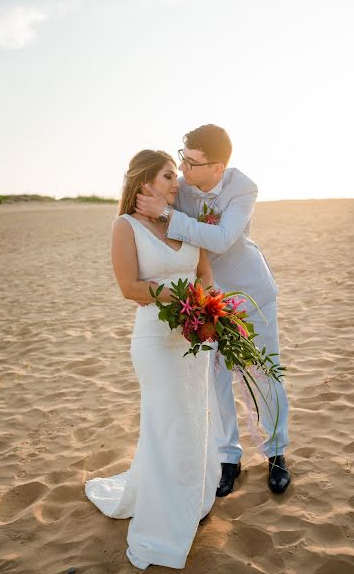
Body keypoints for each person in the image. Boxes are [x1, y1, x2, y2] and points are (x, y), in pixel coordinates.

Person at [135, 124, 291, 496]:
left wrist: (168, 216)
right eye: (183, 158)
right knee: (215, 376)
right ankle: (228, 458)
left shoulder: (243, 188)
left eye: (192, 163)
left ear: (218, 168)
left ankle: (276, 453)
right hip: (204, 295)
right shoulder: (181, 187)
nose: (184, 170)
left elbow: (221, 239)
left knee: (265, 371)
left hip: (252, 292)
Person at [85, 149, 221, 570]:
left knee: (196, 416)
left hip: (193, 338)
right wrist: (183, 301)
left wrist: (201, 308)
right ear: (145, 183)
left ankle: (192, 497)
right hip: (155, 342)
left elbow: (206, 276)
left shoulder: (185, 224)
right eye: (167, 175)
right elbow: (130, 287)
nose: (176, 182)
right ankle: (163, 521)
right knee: (167, 423)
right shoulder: (124, 226)